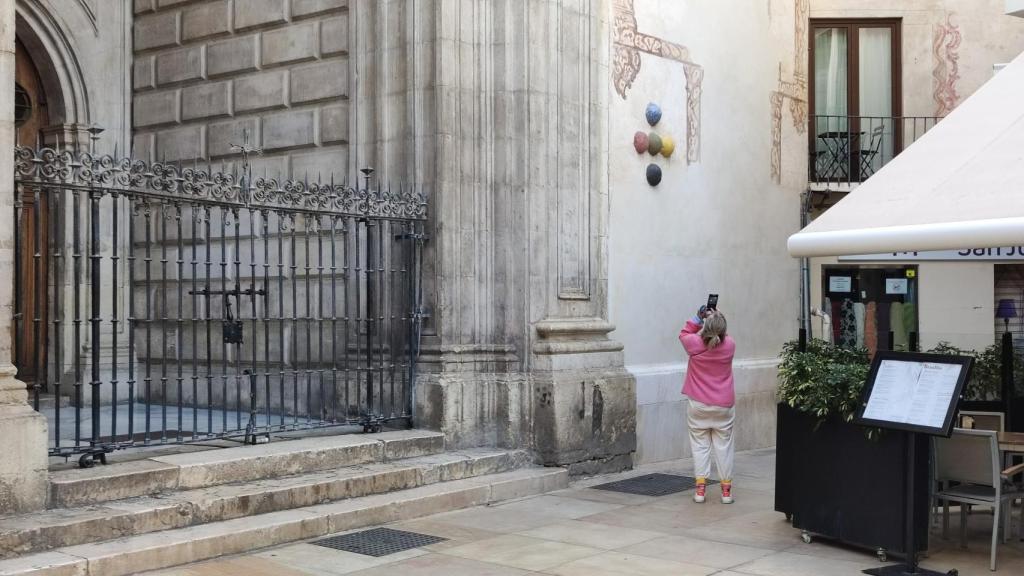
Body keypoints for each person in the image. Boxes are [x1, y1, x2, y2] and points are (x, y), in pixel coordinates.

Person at [678, 306, 736, 504]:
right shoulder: (730, 345)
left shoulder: (693, 344)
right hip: (723, 405)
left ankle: (700, 491)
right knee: (724, 447)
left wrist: (698, 317)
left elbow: (684, 333)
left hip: (698, 405)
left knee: (700, 446)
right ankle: (726, 492)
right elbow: (722, 334)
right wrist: (718, 317)